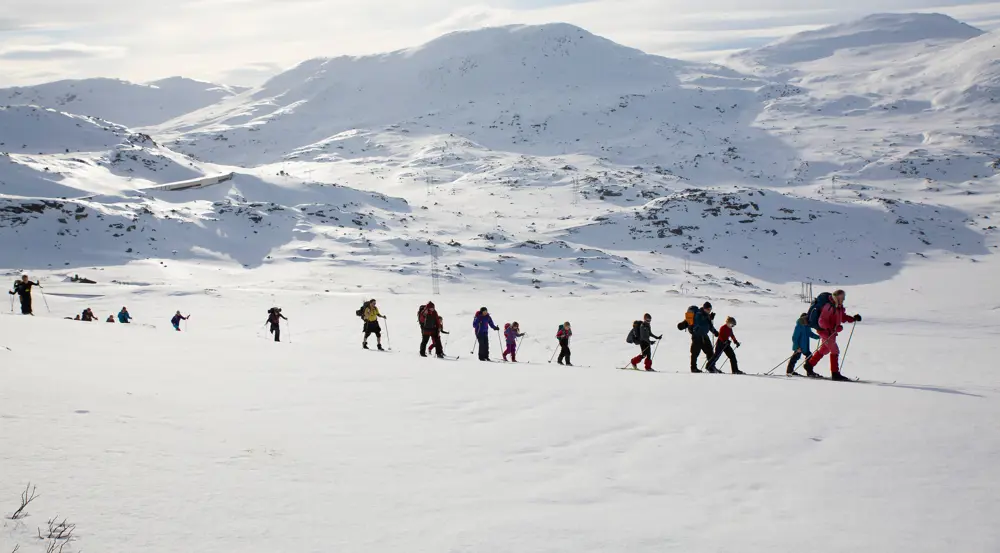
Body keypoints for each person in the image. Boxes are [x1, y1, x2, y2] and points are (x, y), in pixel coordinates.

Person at [804, 290, 861, 381]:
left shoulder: (838, 307)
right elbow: (821, 321)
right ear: (837, 297)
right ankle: (835, 373)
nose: (844, 299)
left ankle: (809, 365)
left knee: (824, 349)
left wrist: (853, 319)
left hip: (831, 333)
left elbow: (842, 317)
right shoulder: (829, 307)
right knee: (835, 350)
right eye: (842, 297)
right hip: (825, 332)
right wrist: (833, 328)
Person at [687, 302, 720, 373]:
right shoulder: (699, 314)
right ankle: (693, 368)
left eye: (710, 309)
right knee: (695, 352)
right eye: (708, 309)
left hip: (704, 335)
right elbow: (699, 322)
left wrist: (715, 332)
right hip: (697, 335)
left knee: (710, 351)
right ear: (704, 308)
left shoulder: (707, 315)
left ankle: (711, 366)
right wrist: (708, 317)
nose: (709, 310)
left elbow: (710, 326)